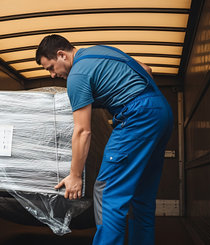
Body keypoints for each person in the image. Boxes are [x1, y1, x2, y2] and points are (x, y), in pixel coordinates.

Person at [36, 34, 173, 245]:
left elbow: (83, 131)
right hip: (161, 112)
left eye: (51, 67)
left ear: (62, 54)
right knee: (142, 195)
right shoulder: (102, 51)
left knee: (107, 191)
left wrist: (74, 176)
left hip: (136, 117)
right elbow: (146, 70)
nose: (53, 75)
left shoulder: (77, 75)